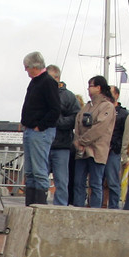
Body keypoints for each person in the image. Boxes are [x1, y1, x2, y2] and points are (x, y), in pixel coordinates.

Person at [19, 50, 61, 205]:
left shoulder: (47, 82)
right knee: (30, 171)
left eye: (27, 67)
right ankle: (30, 204)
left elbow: (55, 109)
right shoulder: (35, 82)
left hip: (40, 132)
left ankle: (40, 205)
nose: (26, 70)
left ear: (34, 67)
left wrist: (40, 126)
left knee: (39, 171)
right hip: (30, 130)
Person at [73, 75, 116, 209]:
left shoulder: (107, 107)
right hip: (82, 152)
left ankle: (95, 211)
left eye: (91, 86)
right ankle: (78, 209)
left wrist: (83, 141)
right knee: (78, 182)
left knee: (96, 183)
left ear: (98, 88)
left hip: (97, 151)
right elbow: (77, 124)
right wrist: (78, 142)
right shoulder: (86, 106)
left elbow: (99, 128)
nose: (88, 89)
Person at [49, 67, 79, 205]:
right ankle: (39, 204)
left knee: (61, 180)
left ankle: (60, 207)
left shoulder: (69, 96)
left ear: (57, 78)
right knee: (39, 177)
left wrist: (57, 122)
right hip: (44, 143)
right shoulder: (42, 93)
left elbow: (76, 118)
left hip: (62, 145)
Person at [105, 84, 128, 208]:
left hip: (114, 151)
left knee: (113, 181)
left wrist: (118, 147)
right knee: (97, 181)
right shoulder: (102, 110)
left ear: (117, 95)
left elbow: (126, 134)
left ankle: (114, 207)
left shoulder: (123, 114)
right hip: (100, 150)